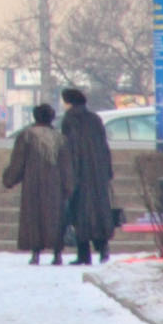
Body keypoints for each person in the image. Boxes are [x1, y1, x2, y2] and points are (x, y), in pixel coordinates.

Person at [59, 84, 117, 267]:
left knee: (80, 214)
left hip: (80, 174)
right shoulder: (95, 119)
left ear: (69, 102)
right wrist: (107, 170)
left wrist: (68, 174)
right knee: (99, 212)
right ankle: (104, 249)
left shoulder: (70, 119)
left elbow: (71, 148)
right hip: (98, 173)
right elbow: (104, 146)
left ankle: (84, 255)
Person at [2, 101, 64, 264]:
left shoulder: (27, 136)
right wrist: (69, 186)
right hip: (56, 185)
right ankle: (57, 253)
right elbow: (67, 164)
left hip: (33, 184)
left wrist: (9, 179)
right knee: (56, 218)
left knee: (34, 217)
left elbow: (18, 161)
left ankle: (36, 252)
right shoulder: (60, 138)